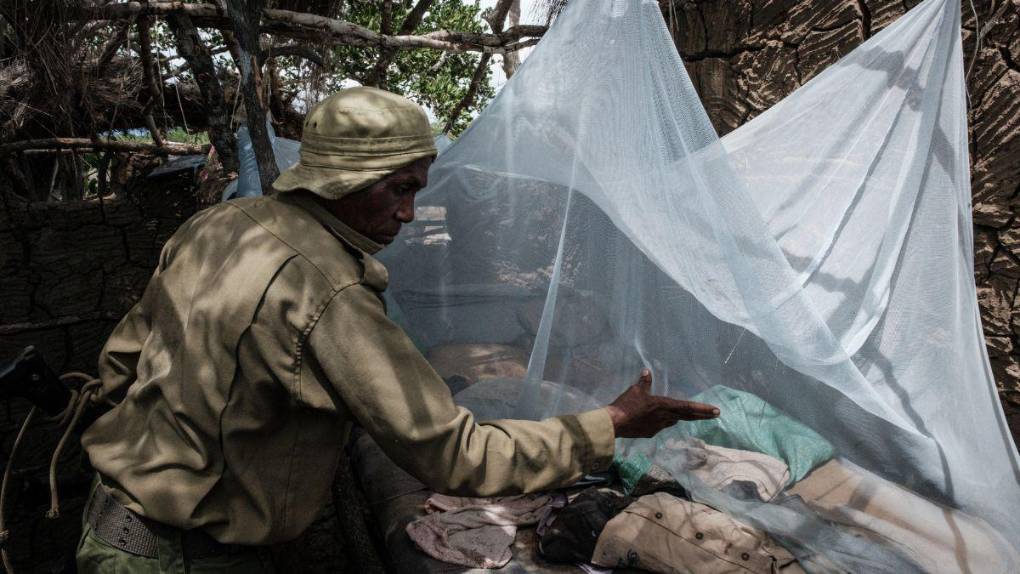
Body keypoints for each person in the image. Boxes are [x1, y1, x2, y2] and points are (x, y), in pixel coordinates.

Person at [76, 87, 720, 573]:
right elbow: (454, 454)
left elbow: (123, 359)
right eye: (400, 189)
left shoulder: (221, 225)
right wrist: (607, 423)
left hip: (112, 521)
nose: (411, 214)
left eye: (419, 190)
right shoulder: (330, 291)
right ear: (346, 180)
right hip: (187, 553)